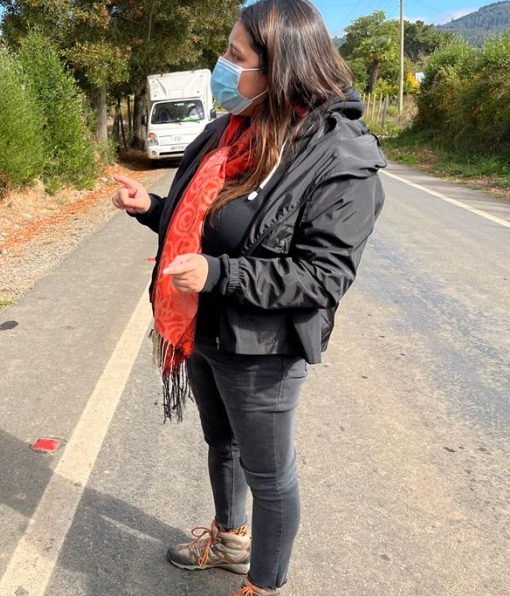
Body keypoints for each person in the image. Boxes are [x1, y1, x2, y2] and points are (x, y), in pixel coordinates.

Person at [111, 0, 385, 594]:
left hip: (263, 346)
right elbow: (203, 224)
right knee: (221, 442)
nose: (222, 66)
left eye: (235, 57)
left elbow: (322, 277)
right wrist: (152, 210)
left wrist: (218, 276)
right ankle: (232, 539)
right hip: (203, 329)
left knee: (270, 473)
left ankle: (264, 584)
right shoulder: (232, 129)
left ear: (280, 67)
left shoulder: (339, 156)